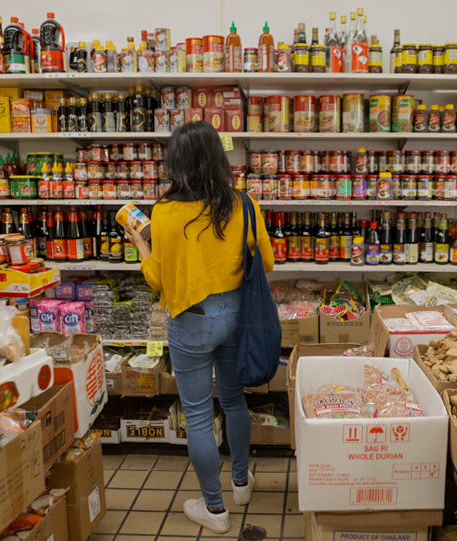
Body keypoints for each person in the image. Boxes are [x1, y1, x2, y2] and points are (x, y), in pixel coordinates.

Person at [124, 121, 274, 534]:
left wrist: (141, 244)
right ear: (218, 159)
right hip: (237, 315)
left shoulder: (164, 212)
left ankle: (215, 509)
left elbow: (157, 279)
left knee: (198, 414)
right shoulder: (244, 204)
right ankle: (241, 484)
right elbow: (266, 263)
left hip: (191, 320)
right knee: (234, 400)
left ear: (175, 163)